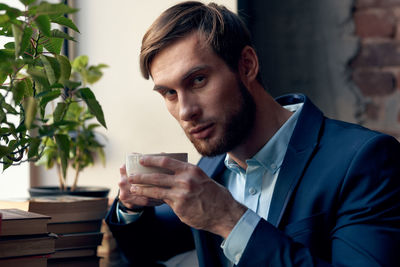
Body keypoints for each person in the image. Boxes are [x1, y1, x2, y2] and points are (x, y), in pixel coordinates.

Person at [105, 1, 400, 266]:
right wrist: (130, 208)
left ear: (247, 65)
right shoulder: (212, 166)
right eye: (169, 93)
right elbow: (154, 247)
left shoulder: (366, 161)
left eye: (197, 80)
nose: (185, 111)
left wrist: (229, 220)